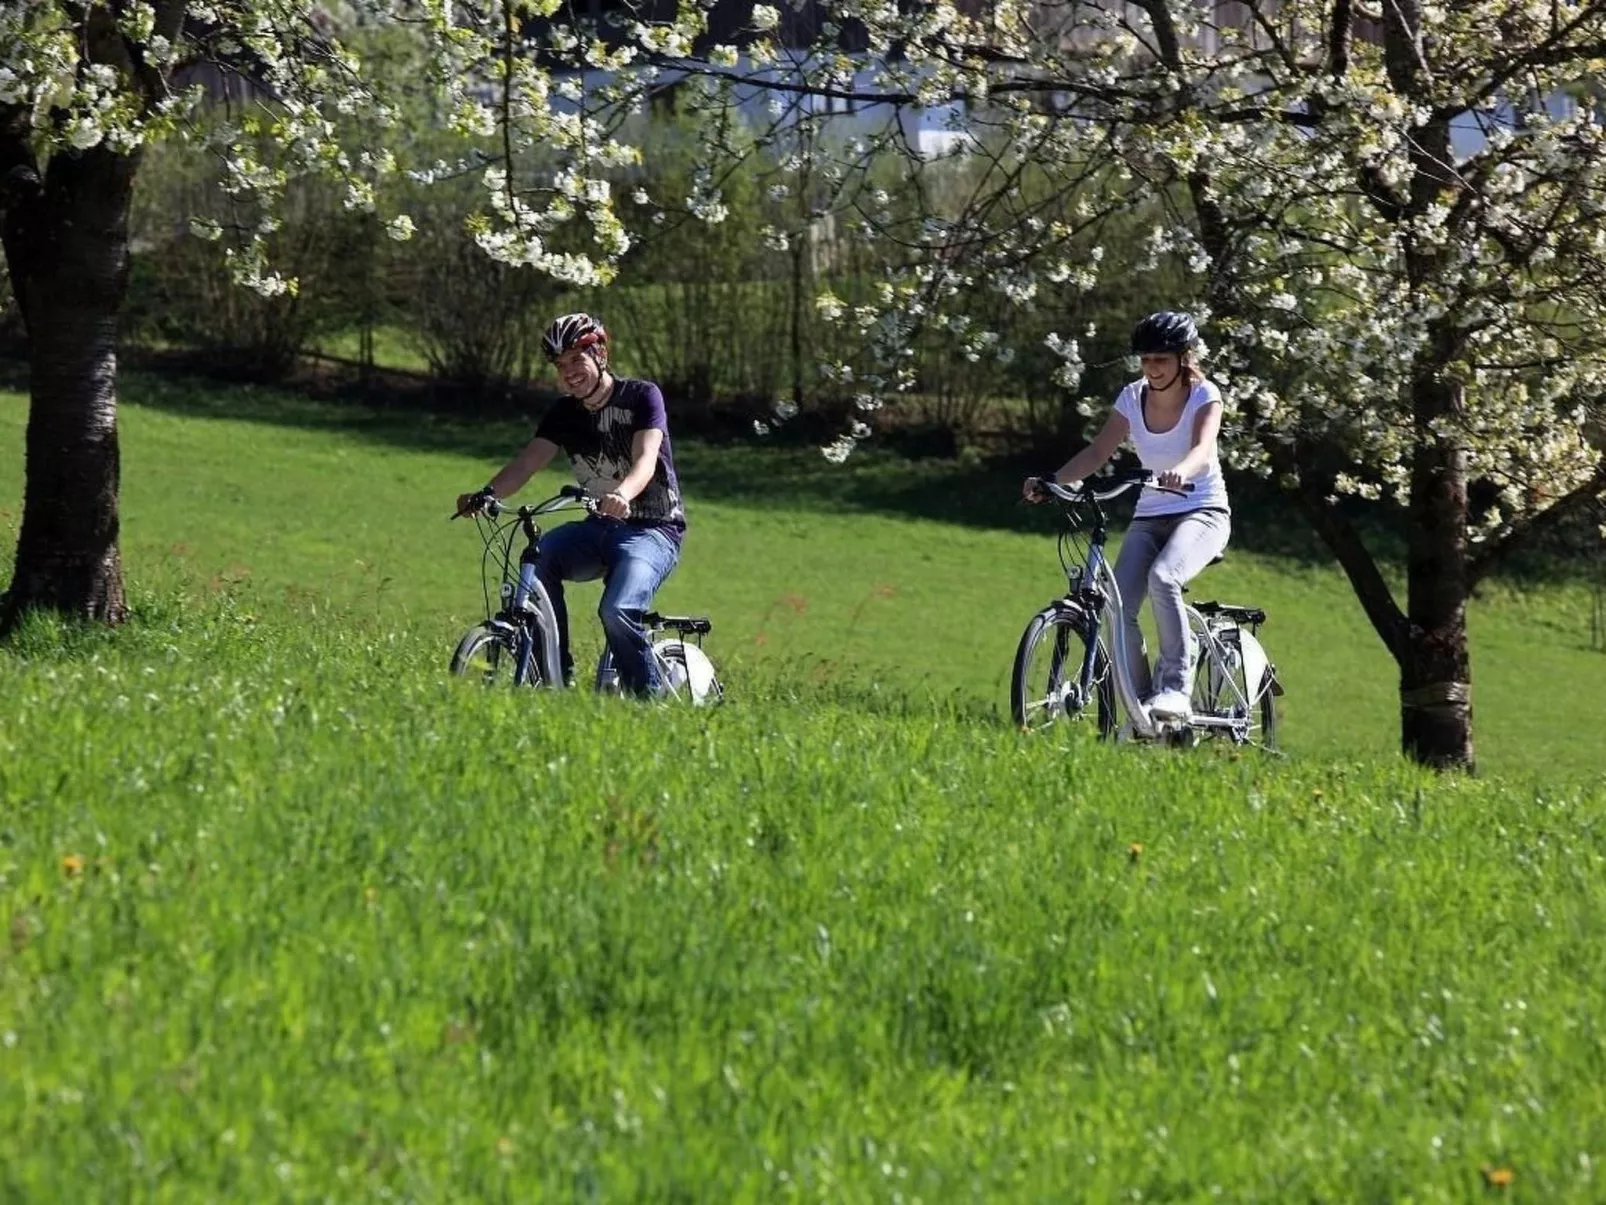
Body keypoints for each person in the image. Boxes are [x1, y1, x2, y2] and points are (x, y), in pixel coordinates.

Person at [456, 313, 686, 695]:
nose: (568, 372)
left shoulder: (642, 396)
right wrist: (487, 494)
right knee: (539, 557)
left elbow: (646, 458)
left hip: (653, 529)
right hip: (600, 526)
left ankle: (650, 702)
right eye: (560, 365)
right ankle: (555, 677)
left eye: (576, 360)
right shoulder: (564, 413)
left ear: (600, 355)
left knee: (616, 611)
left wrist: (623, 494)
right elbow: (527, 463)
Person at [1023, 311, 1230, 721]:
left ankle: (1175, 690)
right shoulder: (1132, 397)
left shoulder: (1205, 394)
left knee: (1164, 577)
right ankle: (1143, 707)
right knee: (1119, 605)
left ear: (1183, 359)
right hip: (1151, 513)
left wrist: (1181, 472)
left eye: (1161, 360)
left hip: (1203, 510)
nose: (1152, 368)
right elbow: (1099, 451)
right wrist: (1053, 481)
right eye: (1146, 359)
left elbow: (1202, 450)